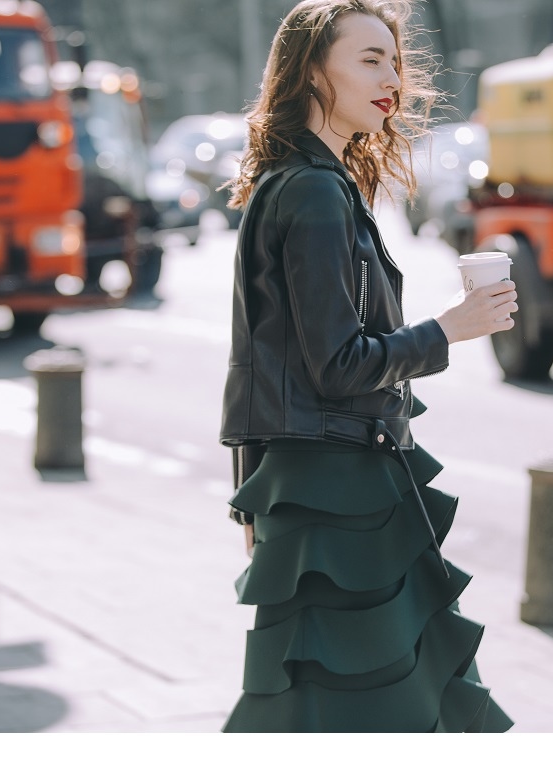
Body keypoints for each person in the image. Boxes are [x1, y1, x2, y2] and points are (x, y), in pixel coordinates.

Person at [219, 0, 516, 732]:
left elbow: (267, 357)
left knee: (341, 705)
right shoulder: (313, 192)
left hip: (328, 495)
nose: (394, 77)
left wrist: (252, 496)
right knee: (373, 707)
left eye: (394, 59)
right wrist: (450, 329)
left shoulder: (307, 182)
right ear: (312, 71)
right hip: (339, 503)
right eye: (369, 59)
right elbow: (337, 366)